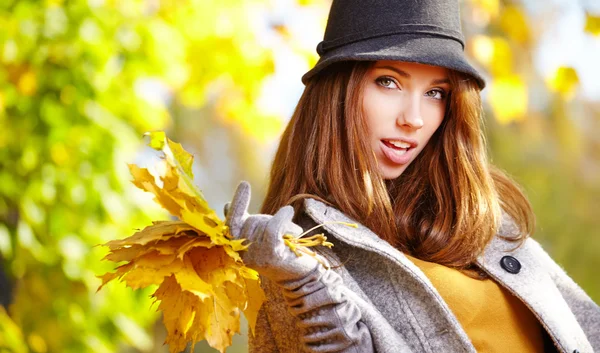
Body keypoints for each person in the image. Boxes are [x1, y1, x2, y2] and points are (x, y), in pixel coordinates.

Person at [224, 0, 600, 352]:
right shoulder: (294, 254)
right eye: (388, 81)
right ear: (337, 91)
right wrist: (305, 287)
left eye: (436, 92)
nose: (414, 118)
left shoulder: (476, 212)